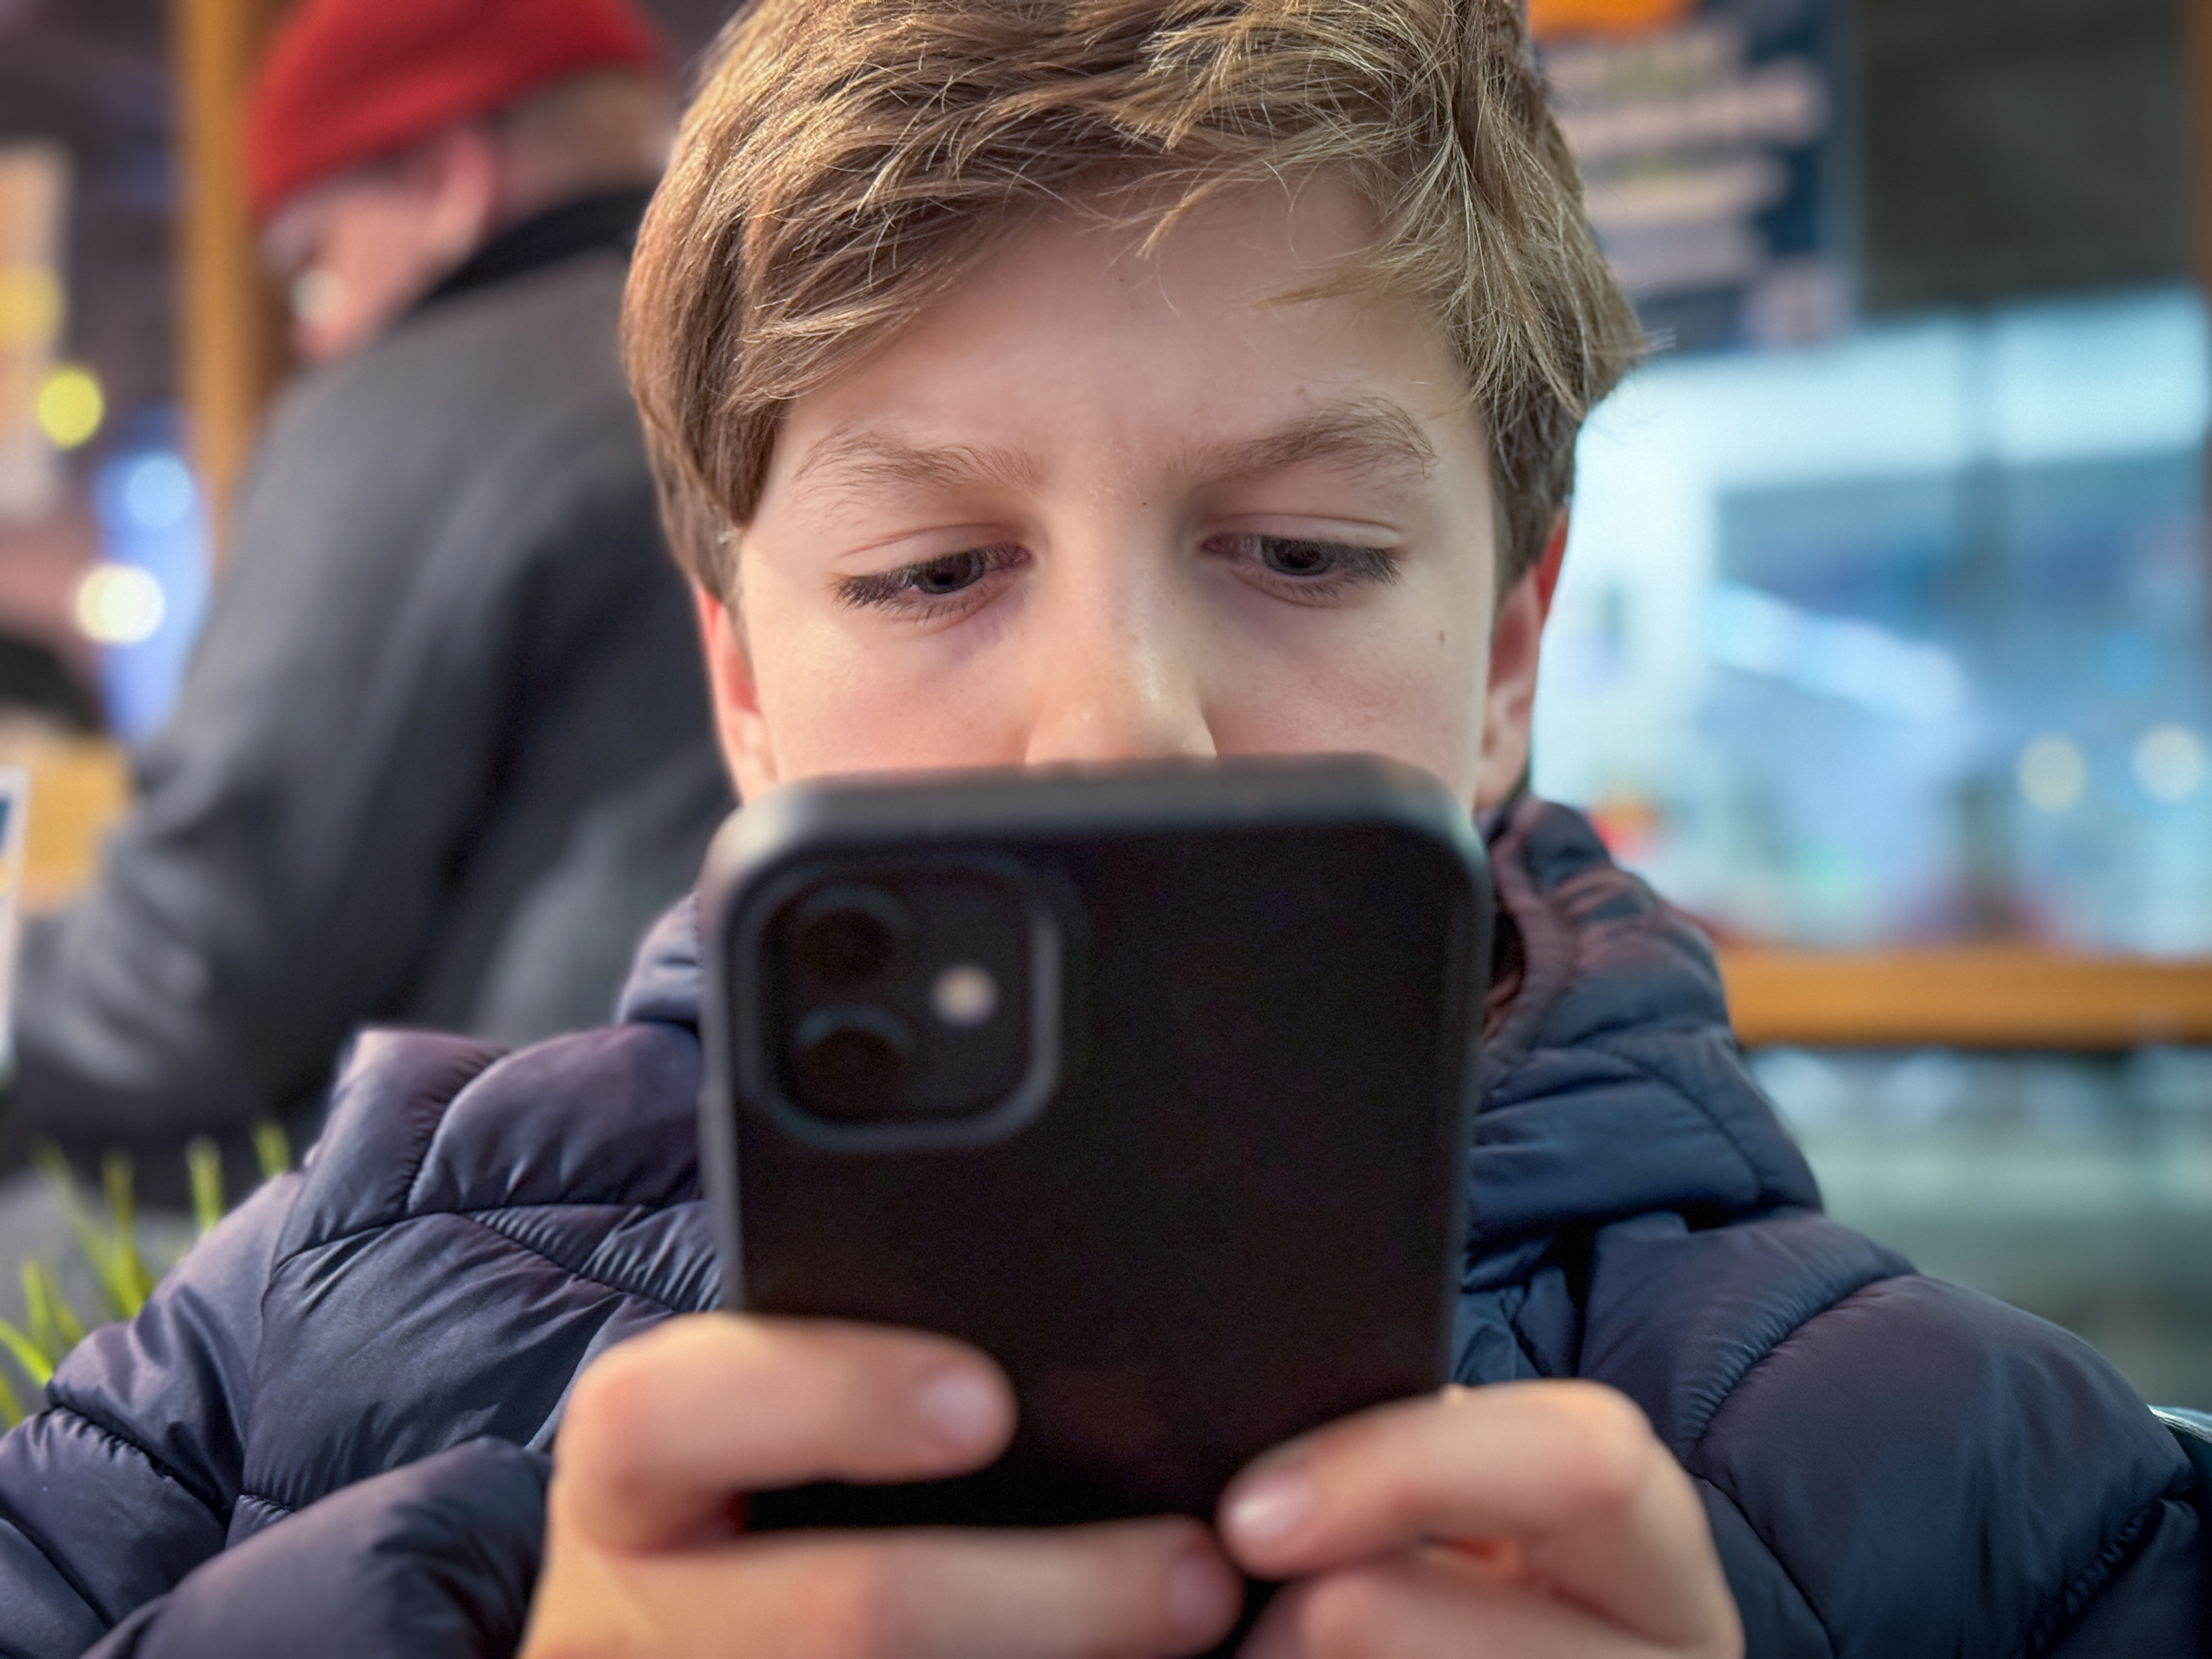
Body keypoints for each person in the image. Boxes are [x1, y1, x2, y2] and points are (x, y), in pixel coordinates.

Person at [2, 1, 2208, 1653]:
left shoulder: (1992, 1490)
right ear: (742, 685)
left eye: (1305, 553)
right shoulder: (293, 1328)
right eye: (933, 572)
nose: (1111, 728)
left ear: (1507, 655)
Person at [2, 0, 732, 1164]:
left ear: (444, 182)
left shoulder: (429, 401)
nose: (312, 337)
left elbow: (194, 977)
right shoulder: (770, 365)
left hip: (522, 1196)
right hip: (763, 1159)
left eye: (310, 271)